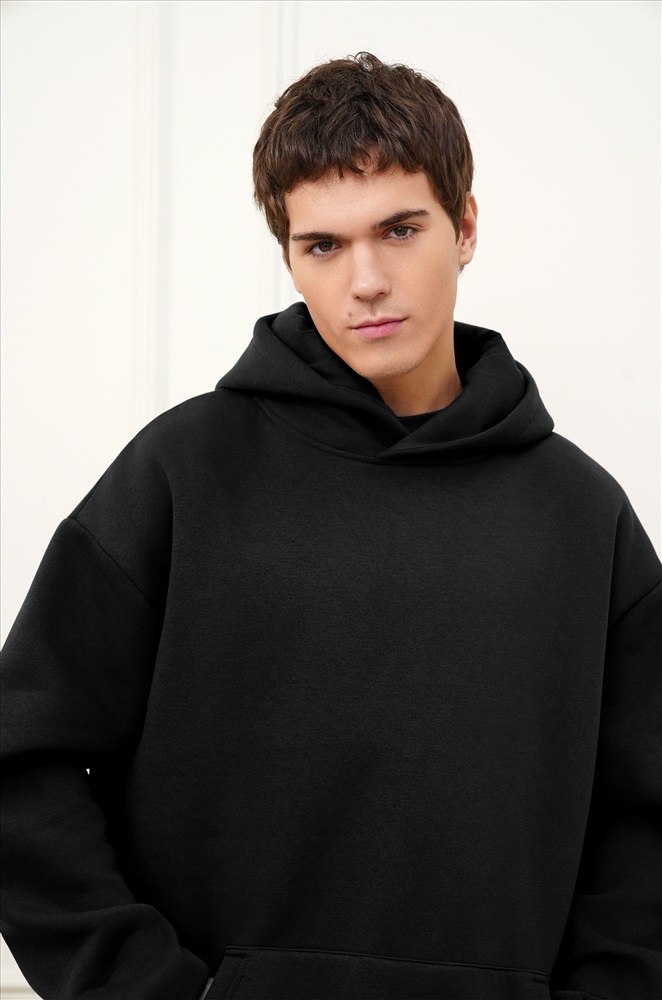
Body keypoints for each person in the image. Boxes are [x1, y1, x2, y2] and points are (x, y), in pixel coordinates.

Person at [1, 51, 660, 1000]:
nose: (367, 281)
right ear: (289, 257)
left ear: (467, 227)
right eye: (323, 245)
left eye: (400, 230)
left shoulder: (583, 516)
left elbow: (646, 822)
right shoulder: (182, 473)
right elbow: (22, 758)